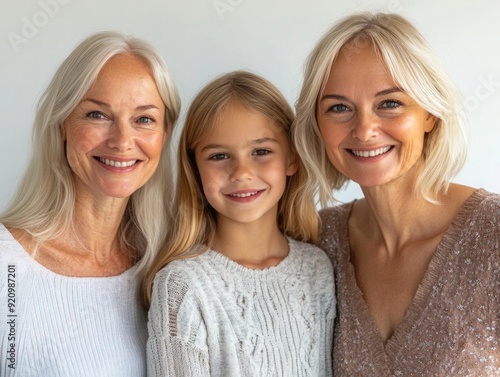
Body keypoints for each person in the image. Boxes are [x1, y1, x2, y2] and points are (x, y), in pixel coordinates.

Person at [293, 11, 500, 376]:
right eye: (339, 108)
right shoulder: (316, 240)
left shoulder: (492, 235)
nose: (365, 129)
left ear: (430, 114)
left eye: (390, 103)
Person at [0, 31, 180, 376]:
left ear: (165, 133)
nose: (123, 141)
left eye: (144, 119)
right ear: (61, 123)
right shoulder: (7, 266)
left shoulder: (168, 270)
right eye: (98, 115)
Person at [144, 71, 335, 376]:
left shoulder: (318, 268)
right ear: (195, 169)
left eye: (261, 152)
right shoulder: (182, 285)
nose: (241, 172)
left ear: (292, 158)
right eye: (219, 156)